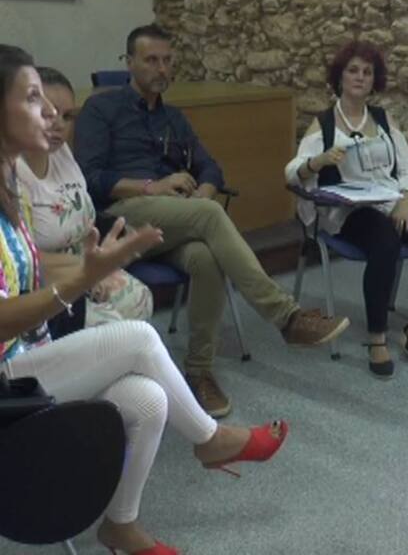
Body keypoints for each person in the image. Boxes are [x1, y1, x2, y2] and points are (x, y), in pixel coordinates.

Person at [0, 44, 288, 555]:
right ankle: (209, 439)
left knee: (149, 399)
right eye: (32, 99)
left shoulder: (7, 185)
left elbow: (28, 268)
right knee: (137, 339)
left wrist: (94, 268)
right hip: (6, 381)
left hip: (25, 357)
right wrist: (80, 280)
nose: (49, 114)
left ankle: (120, 526)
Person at [74, 24, 349, 418]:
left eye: (168, 61)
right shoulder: (101, 110)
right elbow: (91, 178)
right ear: (129, 62)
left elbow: (210, 166)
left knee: (204, 258)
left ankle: (199, 372)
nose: (161, 69)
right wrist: (152, 187)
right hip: (123, 216)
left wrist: (202, 191)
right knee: (208, 215)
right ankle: (286, 317)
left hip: (176, 218)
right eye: (151, 60)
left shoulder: (174, 118)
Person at [285, 40, 408, 379]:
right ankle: (376, 337)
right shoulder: (324, 124)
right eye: (353, 71)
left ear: (374, 80)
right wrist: (317, 161)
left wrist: (405, 200)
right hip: (350, 210)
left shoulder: (383, 119)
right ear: (340, 77)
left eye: (367, 72)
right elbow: (293, 172)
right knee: (386, 244)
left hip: (393, 198)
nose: (360, 77)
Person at [17, 66, 153, 327]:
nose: (59, 124)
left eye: (68, 116)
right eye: (49, 113)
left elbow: (85, 213)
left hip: (83, 259)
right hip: (39, 280)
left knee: (139, 302)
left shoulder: (61, 152)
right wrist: (87, 272)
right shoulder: (11, 172)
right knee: (116, 330)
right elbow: (21, 258)